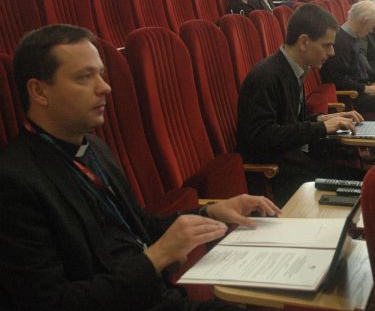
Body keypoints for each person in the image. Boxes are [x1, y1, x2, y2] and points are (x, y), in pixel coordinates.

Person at [0, 23, 280, 310]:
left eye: (102, 75)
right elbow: (51, 304)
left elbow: (137, 225)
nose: (105, 87)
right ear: (39, 91)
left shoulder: (95, 148)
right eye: (85, 77)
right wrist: (156, 258)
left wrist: (210, 212)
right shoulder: (14, 181)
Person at [237, 4, 366, 206]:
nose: (332, 52)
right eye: (326, 45)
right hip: (281, 174)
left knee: (367, 178)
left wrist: (321, 118)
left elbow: (288, 122)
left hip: (298, 161)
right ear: (304, 42)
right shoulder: (266, 76)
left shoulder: (293, 69)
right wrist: (321, 128)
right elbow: (262, 136)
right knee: (366, 186)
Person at [320, 1, 375, 119]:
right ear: (364, 21)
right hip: (352, 98)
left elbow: (363, 68)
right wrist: (365, 89)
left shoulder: (352, 37)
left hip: (362, 91)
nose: (370, 31)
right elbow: (336, 78)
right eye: (371, 26)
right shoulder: (340, 41)